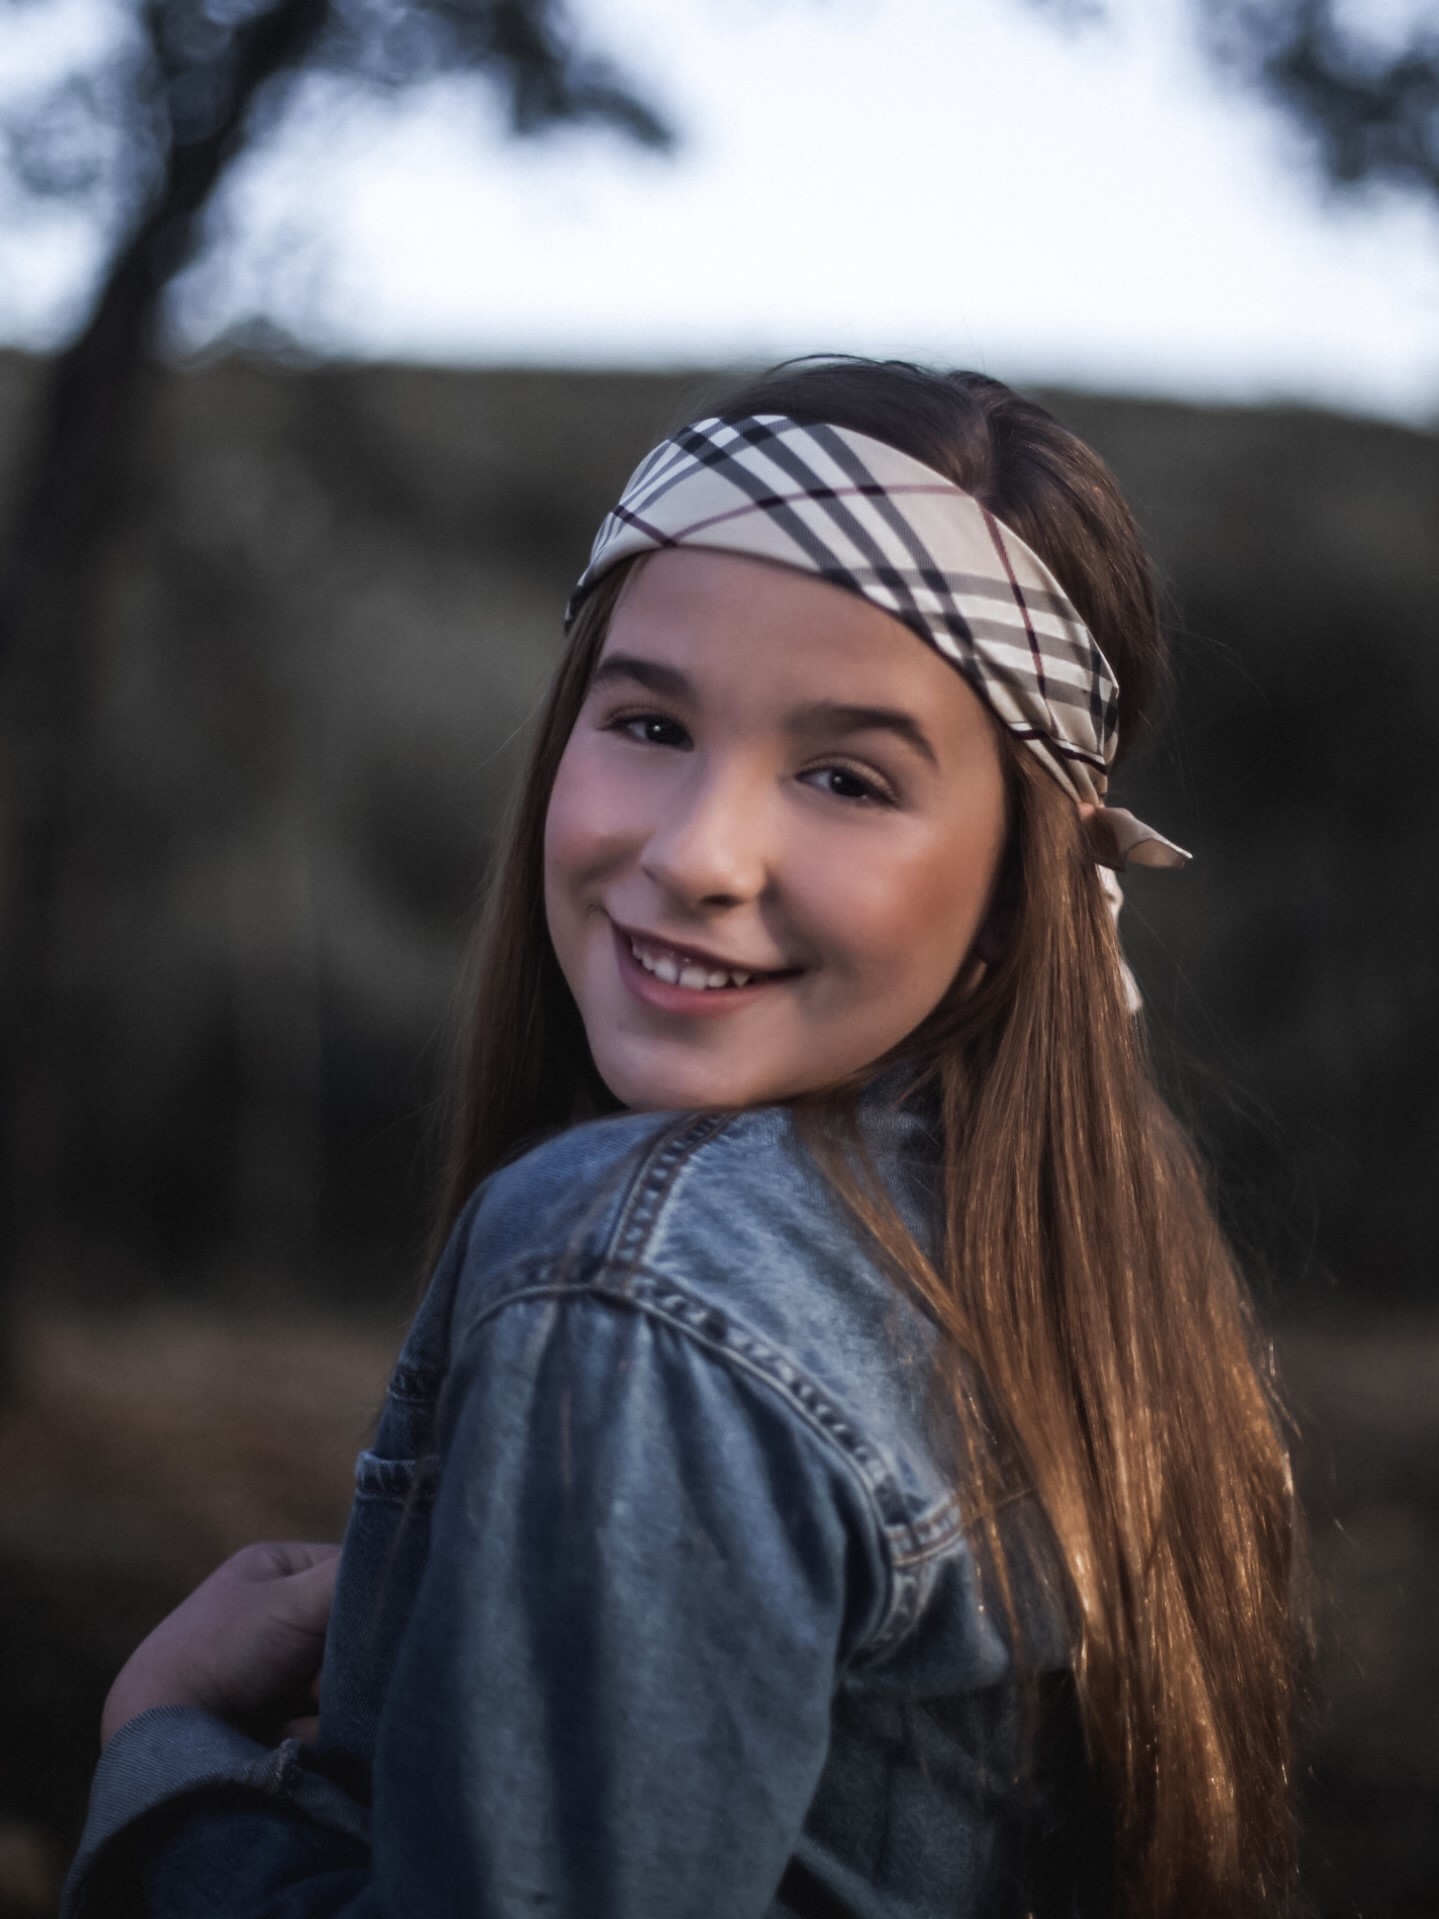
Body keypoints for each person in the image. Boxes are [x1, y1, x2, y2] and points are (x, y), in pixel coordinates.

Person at [62, 360, 1300, 1918]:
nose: (698, 853)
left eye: (847, 778)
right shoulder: (1085, 1274)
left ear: (1018, 892)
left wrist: (169, 1756)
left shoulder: (640, 1281)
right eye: (649, 722)